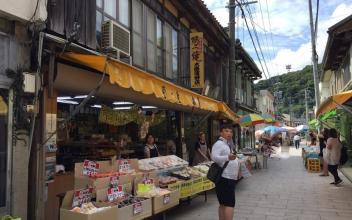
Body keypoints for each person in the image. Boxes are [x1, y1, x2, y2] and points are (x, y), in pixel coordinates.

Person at [211, 124, 240, 220]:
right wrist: (228, 157)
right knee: (229, 204)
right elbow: (214, 157)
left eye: (231, 131)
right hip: (225, 177)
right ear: (221, 132)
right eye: (226, 131)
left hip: (227, 177)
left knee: (223, 204)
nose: (229, 133)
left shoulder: (227, 143)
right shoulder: (219, 144)